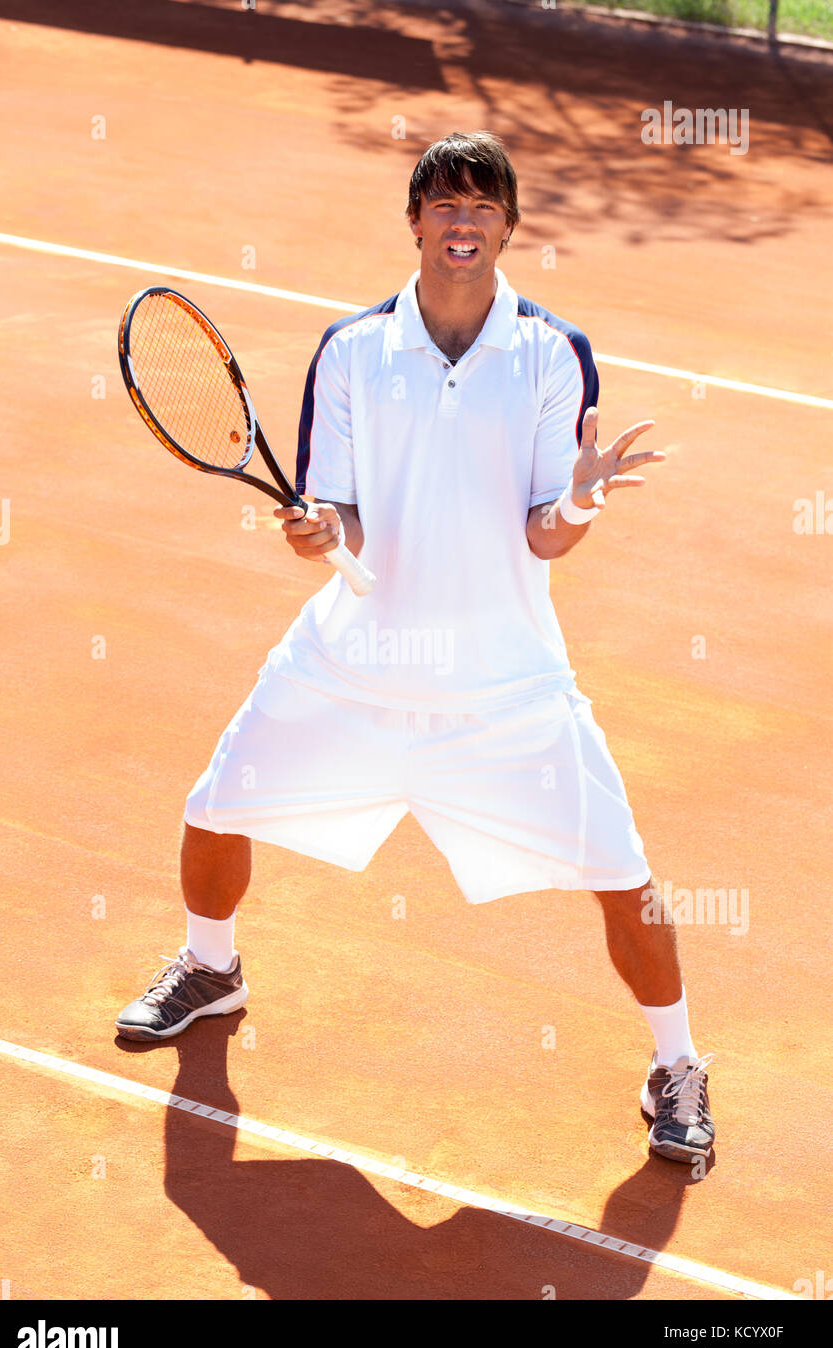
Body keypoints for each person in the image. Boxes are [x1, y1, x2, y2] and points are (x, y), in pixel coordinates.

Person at [117, 131, 714, 1164]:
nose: (461, 223)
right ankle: (212, 968)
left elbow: (543, 532)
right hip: (351, 664)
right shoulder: (352, 349)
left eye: (481, 206)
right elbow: (335, 516)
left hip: (503, 685)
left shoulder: (546, 352)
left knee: (621, 874)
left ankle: (676, 1064)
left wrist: (578, 499)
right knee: (214, 807)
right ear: (415, 223)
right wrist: (319, 536)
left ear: (508, 226)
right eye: (443, 205)